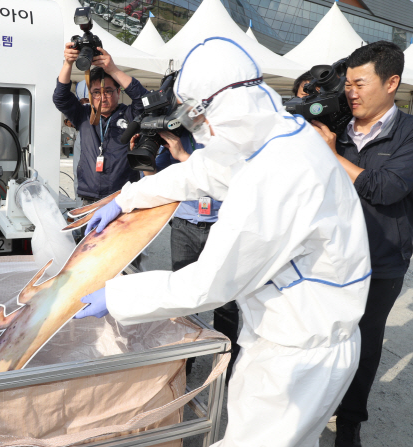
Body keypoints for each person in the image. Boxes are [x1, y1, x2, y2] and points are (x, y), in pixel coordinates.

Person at [76, 37, 371, 447]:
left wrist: (117, 293)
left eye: (199, 115)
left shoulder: (280, 171)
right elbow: (201, 172)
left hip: (300, 355)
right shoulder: (270, 137)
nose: (202, 129)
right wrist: (126, 199)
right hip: (288, 333)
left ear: (224, 105)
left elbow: (209, 283)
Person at [311, 41, 413, 447]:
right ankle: (315, 405)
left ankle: (349, 422)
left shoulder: (409, 134)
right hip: (330, 254)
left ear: (391, 83)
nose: (350, 92)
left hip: (382, 259)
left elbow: (385, 188)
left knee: (365, 342)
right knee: (322, 333)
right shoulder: (337, 127)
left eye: (359, 82)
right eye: (348, 83)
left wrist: (332, 155)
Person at [132, 129, 239, 381]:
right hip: (184, 227)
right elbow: (156, 180)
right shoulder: (173, 134)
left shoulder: (223, 132)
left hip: (221, 226)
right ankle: (184, 364)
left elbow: (230, 175)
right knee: (184, 300)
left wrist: (183, 155)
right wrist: (145, 156)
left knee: (226, 300)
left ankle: (227, 365)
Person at [53, 44, 147, 205]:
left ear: (118, 92)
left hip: (123, 198)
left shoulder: (130, 114)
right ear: (90, 95)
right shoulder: (83, 115)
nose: (103, 97)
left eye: (108, 91)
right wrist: (68, 63)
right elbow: (60, 98)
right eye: (96, 92)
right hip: (89, 198)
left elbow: (146, 101)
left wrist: (113, 70)